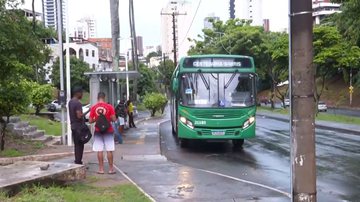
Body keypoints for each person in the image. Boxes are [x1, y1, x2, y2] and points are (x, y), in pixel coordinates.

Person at [89, 92, 118, 174]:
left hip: (98, 131)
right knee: (109, 150)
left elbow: (90, 121)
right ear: (104, 97)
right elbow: (114, 119)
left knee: (99, 150)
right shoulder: (109, 107)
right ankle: (111, 169)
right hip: (108, 130)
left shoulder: (94, 108)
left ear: (97, 98)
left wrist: (96, 119)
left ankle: (101, 169)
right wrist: (108, 118)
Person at [68, 86, 85, 165]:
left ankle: (77, 160)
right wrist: (88, 111)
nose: (82, 95)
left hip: (73, 125)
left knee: (76, 145)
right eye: (81, 93)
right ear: (78, 93)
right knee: (80, 145)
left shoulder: (70, 102)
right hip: (79, 126)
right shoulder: (78, 103)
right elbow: (79, 116)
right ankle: (78, 161)